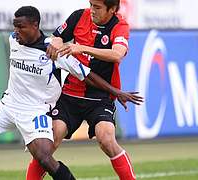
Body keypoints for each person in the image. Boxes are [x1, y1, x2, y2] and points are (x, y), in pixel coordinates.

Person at [0, 5, 141, 180]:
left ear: (34, 25)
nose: (16, 31)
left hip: (40, 110)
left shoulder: (55, 52)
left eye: (20, 26)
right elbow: (58, 35)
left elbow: (93, 70)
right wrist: (56, 41)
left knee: (50, 155)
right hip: (11, 104)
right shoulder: (15, 39)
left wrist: (116, 91)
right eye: (15, 26)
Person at [26, 0, 138, 180]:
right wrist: (56, 43)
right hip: (70, 94)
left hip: (100, 97)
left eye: (97, 7)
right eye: (91, 4)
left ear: (112, 9)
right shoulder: (79, 16)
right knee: (48, 143)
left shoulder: (119, 25)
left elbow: (117, 54)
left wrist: (81, 48)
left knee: (107, 139)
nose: (92, 10)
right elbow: (56, 37)